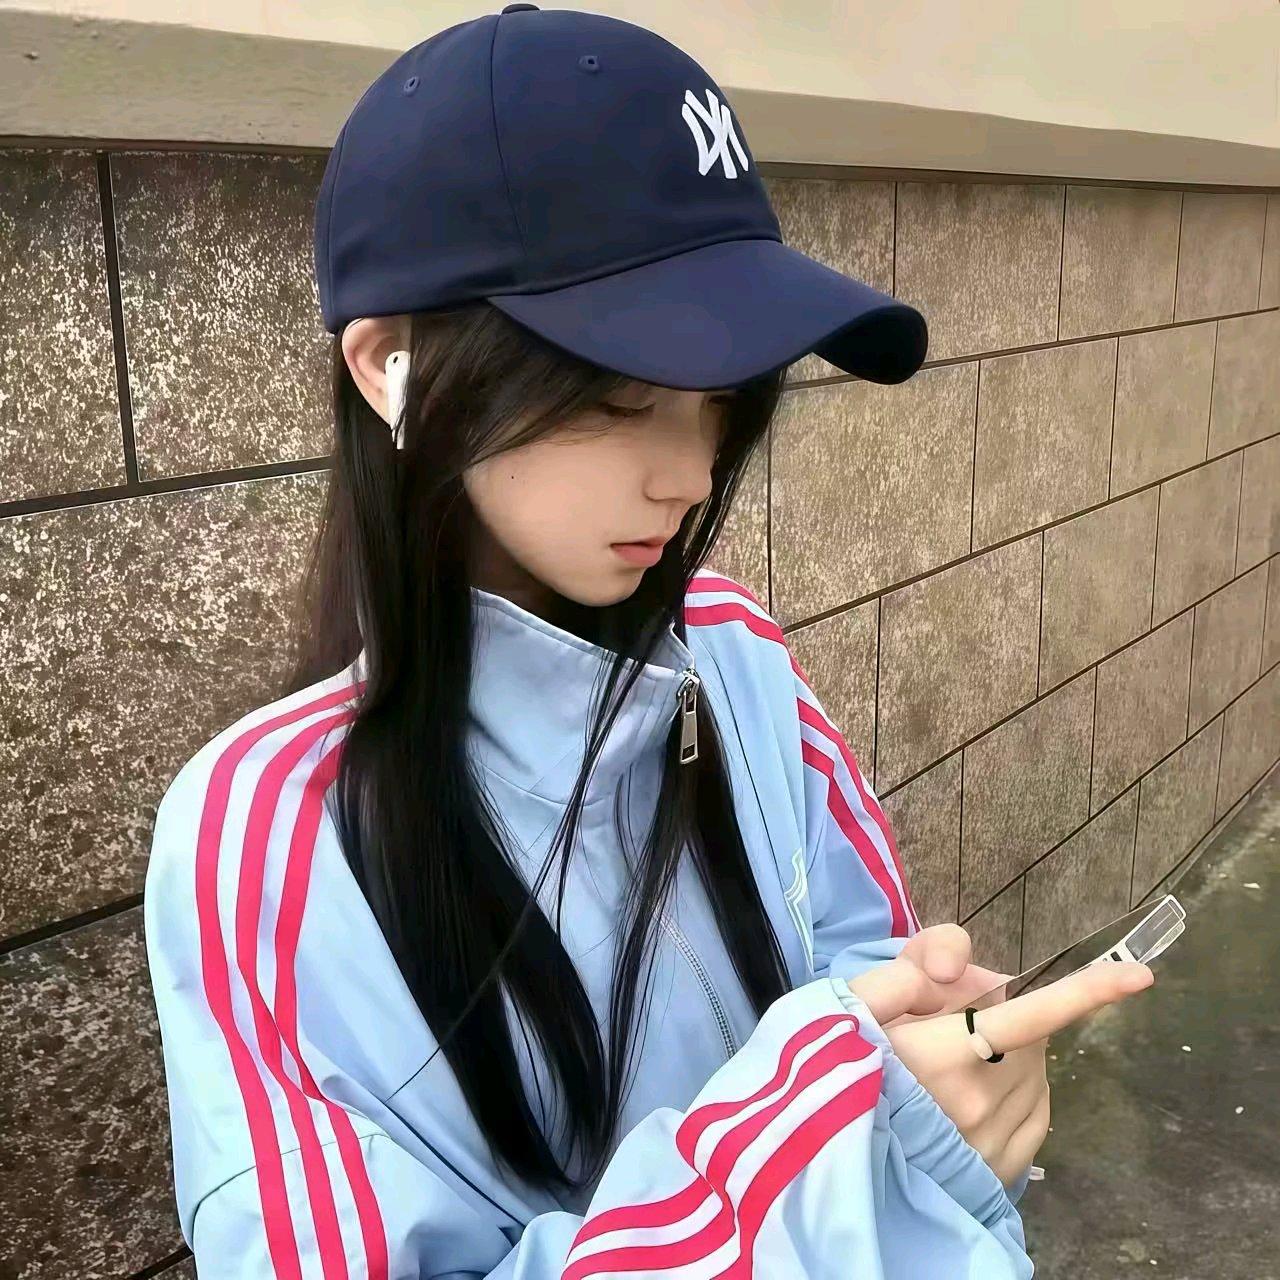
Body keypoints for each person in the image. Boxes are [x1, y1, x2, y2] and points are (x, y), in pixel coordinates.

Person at [143, 7, 1155, 1277]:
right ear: (391, 365)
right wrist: (809, 1190)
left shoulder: (733, 651)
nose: (687, 473)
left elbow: (859, 971)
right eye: (618, 393)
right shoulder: (264, 833)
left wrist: (922, 1051)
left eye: (719, 398)